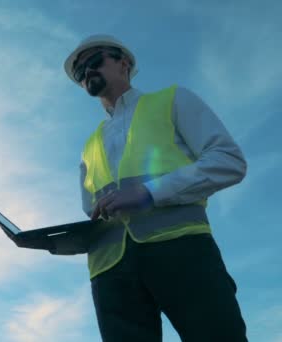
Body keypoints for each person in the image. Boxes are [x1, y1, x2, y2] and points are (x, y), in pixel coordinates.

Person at [63, 34, 248, 341]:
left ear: (124, 63)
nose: (87, 73)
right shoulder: (89, 147)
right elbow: (92, 210)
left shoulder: (173, 100)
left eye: (94, 61)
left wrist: (150, 193)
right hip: (110, 271)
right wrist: (65, 241)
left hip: (181, 251)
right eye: (80, 72)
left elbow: (228, 161)